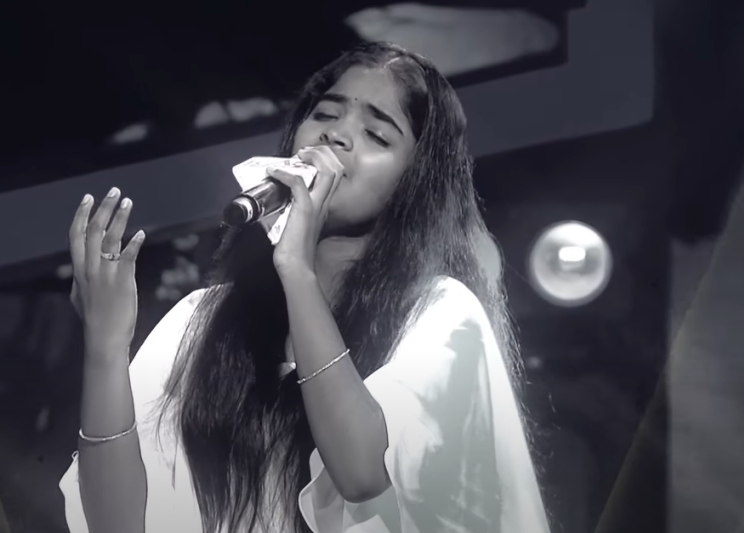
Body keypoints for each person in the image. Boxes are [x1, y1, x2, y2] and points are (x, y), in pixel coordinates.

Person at [59, 42, 550, 533]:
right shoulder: (202, 317)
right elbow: (114, 523)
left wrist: (296, 267)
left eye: (376, 134)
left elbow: (362, 475)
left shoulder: (441, 313)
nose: (335, 135)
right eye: (325, 115)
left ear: (413, 182)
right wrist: (106, 347)